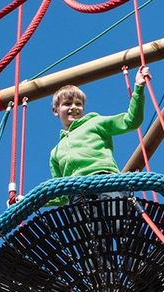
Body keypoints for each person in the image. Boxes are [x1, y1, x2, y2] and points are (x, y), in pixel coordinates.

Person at [47, 66, 151, 206]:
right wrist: (29, 201)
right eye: (67, 104)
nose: (74, 107)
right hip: (77, 194)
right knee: (90, 227)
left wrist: (138, 87)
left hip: (105, 180)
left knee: (116, 222)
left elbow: (131, 121)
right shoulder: (56, 152)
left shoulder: (94, 122)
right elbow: (60, 195)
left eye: (78, 104)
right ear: (56, 110)